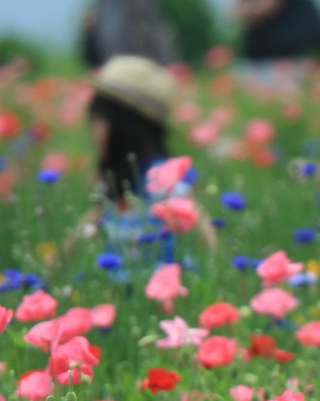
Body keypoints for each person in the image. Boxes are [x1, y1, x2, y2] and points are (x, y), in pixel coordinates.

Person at [58, 55, 215, 276]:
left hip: (159, 285)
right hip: (118, 286)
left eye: (100, 122)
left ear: (128, 129)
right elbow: (93, 219)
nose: (94, 133)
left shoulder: (163, 180)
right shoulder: (116, 177)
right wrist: (55, 267)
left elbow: (202, 229)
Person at [81, 0, 178, 69]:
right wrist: (89, 33)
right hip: (111, 71)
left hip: (139, 69)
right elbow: (92, 55)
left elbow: (156, 35)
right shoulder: (100, 5)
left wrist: (165, 65)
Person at [231, 0, 320, 64]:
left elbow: (269, 1)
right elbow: (235, 9)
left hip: (288, 55)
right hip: (259, 55)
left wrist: (248, 6)